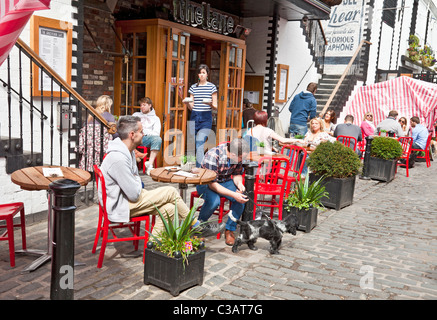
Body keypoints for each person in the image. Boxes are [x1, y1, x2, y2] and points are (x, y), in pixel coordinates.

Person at [99, 115, 194, 236]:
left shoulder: (128, 151)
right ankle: (196, 224)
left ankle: (154, 245)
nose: (144, 134)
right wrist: (137, 181)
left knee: (169, 209)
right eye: (141, 131)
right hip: (120, 204)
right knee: (171, 192)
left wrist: (135, 180)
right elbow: (134, 194)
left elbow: (135, 181)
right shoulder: (118, 158)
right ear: (132, 135)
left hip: (125, 197)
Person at [196, 139, 250, 246]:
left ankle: (229, 229)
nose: (242, 160)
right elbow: (213, 184)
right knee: (214, 202)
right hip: (206, 182)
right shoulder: (213, 156)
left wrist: (239, 184)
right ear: (234, 154)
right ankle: (198, 229)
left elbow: (237, 174)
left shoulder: (236, 157)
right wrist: (233, 194)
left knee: (241, 199)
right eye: (241, 158)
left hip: (224, 180)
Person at [184, 64, 218, 167]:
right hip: (194, 116)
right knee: (191, 144)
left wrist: (210, 104)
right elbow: (192, 107)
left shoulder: (212, 87)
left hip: (205, 118)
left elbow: (216, 106)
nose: (201, 75)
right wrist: (187, 103)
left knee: (199, 144)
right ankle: (190, 169)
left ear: (207, 74)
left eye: (203, 72)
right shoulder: (193, 87)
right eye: (200, 73)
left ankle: (199, 169)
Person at [132, 97, 162, 175]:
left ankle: (150, 164)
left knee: (158, 139)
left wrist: (145, 133)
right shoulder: (136, 115)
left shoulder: (156, 119)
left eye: (144, 105)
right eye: (141, 105)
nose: (142, 107)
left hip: (145, 138)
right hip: (134, 137)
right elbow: (129, 126)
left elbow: (156, 133)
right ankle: (135, 153)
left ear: (150, 105)